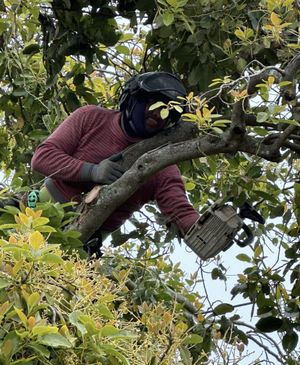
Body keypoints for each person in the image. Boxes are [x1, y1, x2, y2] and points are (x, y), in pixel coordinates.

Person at [31, 71, 200, 255]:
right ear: (133, 99)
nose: (158, 114)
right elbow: (42, 158)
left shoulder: (161, 164)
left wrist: (211, 226)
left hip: (79, 247)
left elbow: (181, 213)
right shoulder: (91, 117)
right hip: (35, 216)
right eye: (153, 103)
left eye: (165, 109)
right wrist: (91, 171)